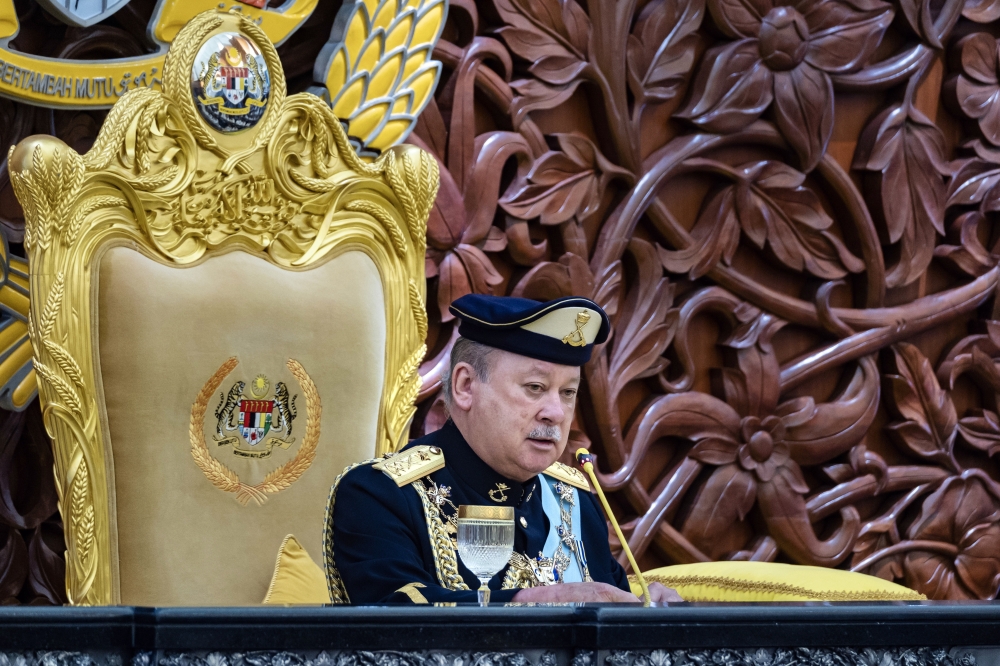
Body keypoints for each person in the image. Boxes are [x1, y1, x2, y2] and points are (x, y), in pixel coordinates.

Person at [325, 294, 682, 604]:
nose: (556, 413)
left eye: (568, 392)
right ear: (466, 386)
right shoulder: (380, 495)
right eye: (535, 387)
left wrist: (646, 607)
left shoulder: (575, 501)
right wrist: (537, 602)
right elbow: (395, 621)